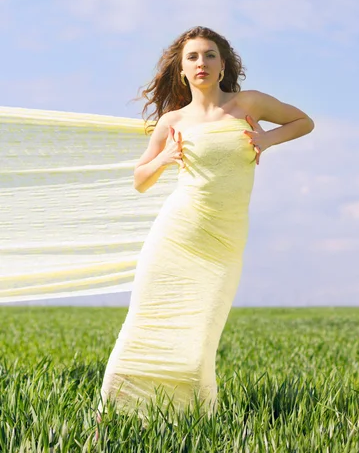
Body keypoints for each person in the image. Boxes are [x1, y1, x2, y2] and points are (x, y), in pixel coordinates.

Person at [94, 25, 314, 439]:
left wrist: (266, 139)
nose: (202, 63)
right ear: (181, 70)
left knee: (198, 344)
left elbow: (304, 122)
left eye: (210, 55)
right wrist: (166, 159)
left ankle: (193, 425)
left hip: (224, 241)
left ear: (223, 64)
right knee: (142, 327)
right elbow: (139, 179)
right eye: (193, 57)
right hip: (176, 235)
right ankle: (112, 422)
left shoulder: (248, 103)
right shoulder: (173, 121)